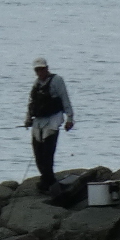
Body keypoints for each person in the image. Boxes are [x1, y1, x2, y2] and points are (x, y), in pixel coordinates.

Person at [24, 57, 74, 191]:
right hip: (38, 122)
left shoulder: (57, 80)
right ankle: (47, 180)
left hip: (53, 121)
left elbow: (65, 98)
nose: (40, 72)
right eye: (37, 70)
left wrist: (69, 118)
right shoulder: (36, 84)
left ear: (47, 68)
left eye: (42, 69)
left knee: (47, 153)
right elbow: (31, 103)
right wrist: (28, 118)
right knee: (38, 153)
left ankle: (48, 182)